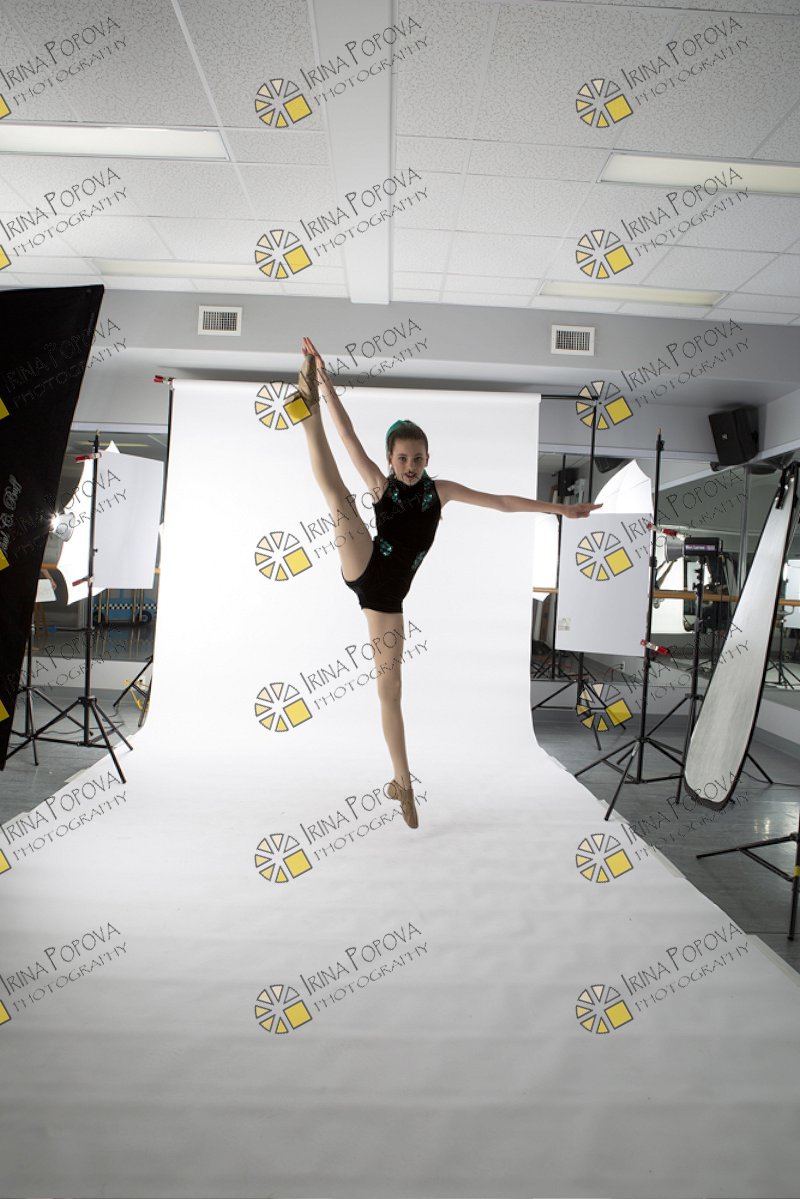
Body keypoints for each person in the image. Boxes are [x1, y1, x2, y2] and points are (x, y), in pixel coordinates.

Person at [293, 336, 601, 830]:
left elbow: (502, 503)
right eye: (402, 459)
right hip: (365, 563)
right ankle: (305, 397)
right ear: (390, 459)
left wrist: (559, 509)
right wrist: (326, 381)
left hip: (387, 598)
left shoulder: (442, 492)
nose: (410, 466)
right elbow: (348, 436)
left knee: (391, 689)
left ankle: (402, 782)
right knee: (338, 497)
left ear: (427, 457)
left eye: (417, 458)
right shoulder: (381, 486)